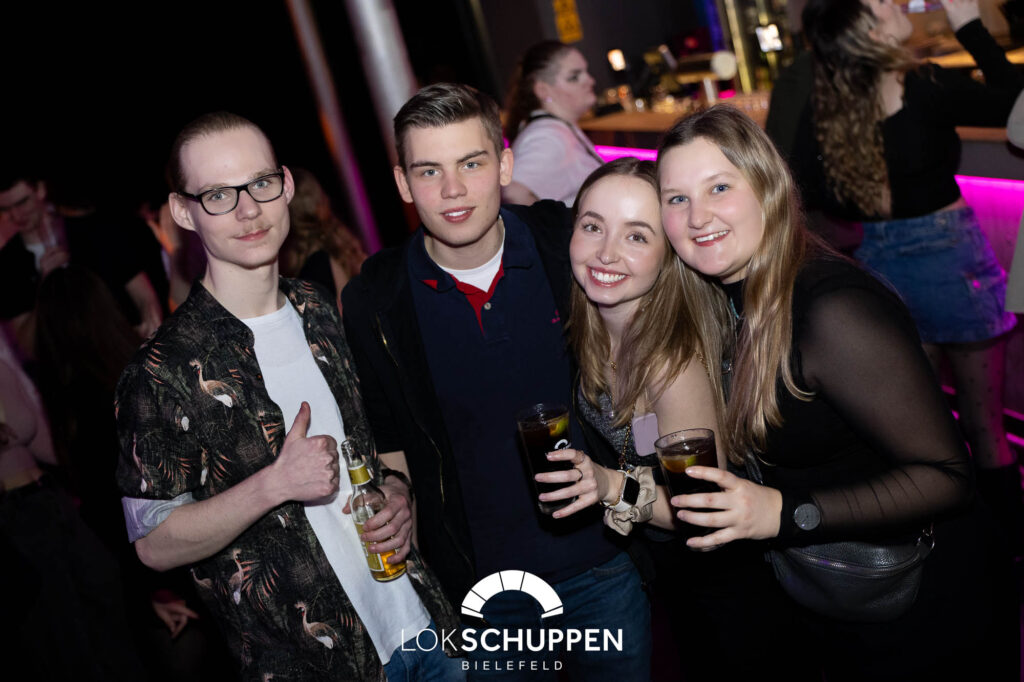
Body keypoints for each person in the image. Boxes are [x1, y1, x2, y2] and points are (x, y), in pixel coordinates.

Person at [657, 104, 1018, 680]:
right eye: (676, 198)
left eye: (719, 187)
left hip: (924, 604)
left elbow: (947, 476)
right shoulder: (727, 302)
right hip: (839, 594)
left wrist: (780, 512)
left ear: (768, 188)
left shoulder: (830, 310)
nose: (697, 216)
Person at [115, 111, 461, 681]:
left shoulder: (317, 307)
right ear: (183, 211)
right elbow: (153, 543)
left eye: (260, 183)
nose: (248, 210)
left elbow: (369, 446)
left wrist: (397, 494)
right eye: (218, 195)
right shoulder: (160, 370)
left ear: (287, 185)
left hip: (423, 628)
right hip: (320, 666)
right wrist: (273, 484)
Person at [342, 83, 651, 680]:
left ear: (505, 166)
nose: (452, 190)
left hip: (602, 569)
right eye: (429, 171)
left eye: (471, 163)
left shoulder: (566, 246)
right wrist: (396, 492)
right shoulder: (376, 300)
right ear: (403, 183)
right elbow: (390, 437)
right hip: (484, 594)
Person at [791, 0, 1023, 551]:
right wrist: (970, 27)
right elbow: (1016, 101)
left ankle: (963, 550)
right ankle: (1013, 546)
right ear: (871, 32)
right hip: (950, 260)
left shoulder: (830, 104)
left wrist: (863, 208)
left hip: (880, 269)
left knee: (927, 433)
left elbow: (804, 185)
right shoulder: (925, 86)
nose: (895, 3)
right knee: (984, 425)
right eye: (881, 3)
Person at [502, 41, 602, 206]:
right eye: (574, 77)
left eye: (586, 72)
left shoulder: (556, 128)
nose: (590, 80)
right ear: (543, 91)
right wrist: (553, 223)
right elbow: (513, 192)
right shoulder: (548, 136)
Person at [279, 167, 366, 311]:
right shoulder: (322, 260)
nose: (327, 198)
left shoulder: (310, 262)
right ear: (317, 203)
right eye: (321, 194)